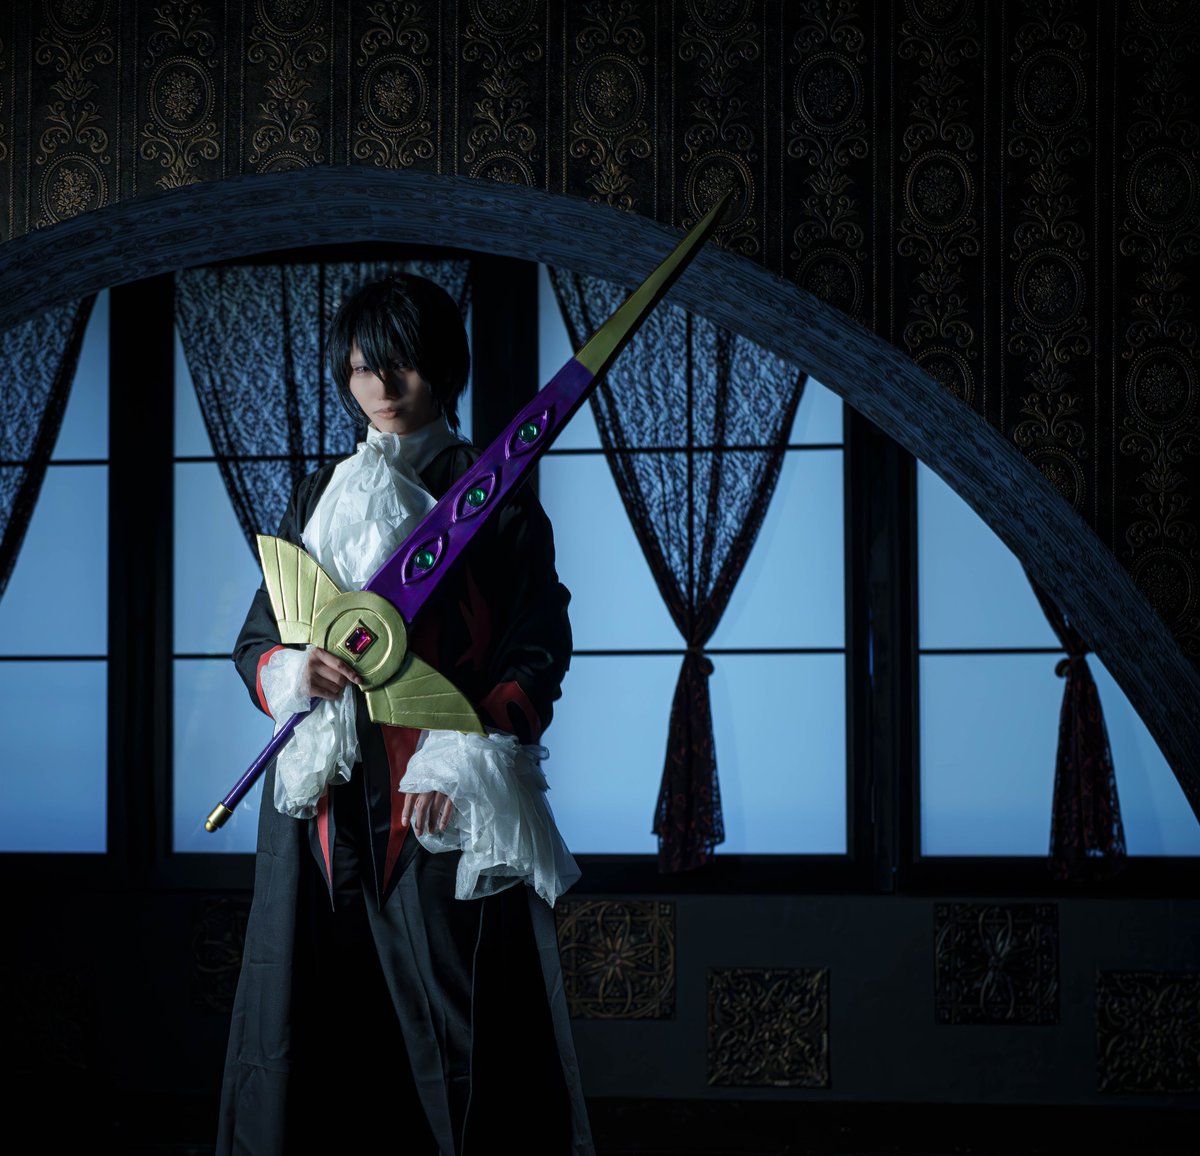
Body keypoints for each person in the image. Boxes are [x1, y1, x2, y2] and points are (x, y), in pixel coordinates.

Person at [216, 274, 593, 1155]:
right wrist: (292, 667)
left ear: (443, 369)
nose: (380, 389)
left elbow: (538, 646)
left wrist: (457, 761)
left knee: (456, 1031)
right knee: (306, 1020)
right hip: (320, 801)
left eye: (401, 367)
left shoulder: (495, 494)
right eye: (360, 369)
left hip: (435, 800)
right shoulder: (320, 491)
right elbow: (258, 637)